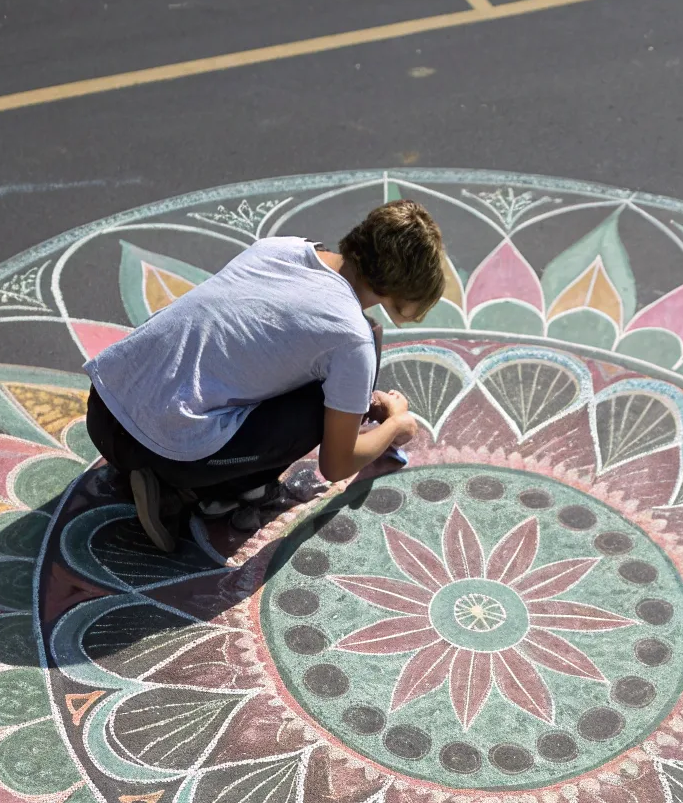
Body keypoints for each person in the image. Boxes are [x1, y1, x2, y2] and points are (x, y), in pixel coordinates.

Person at [83, 199, 445, 550]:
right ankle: (190, 493)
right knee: (328, 401)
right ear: (405, 293)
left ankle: (158, 465)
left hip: (103, 409)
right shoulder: (352, 338)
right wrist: (395, 425)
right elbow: (337, 464)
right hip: (166, 456)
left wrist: (356, 397)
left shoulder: (282, 248)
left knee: (341, 366)